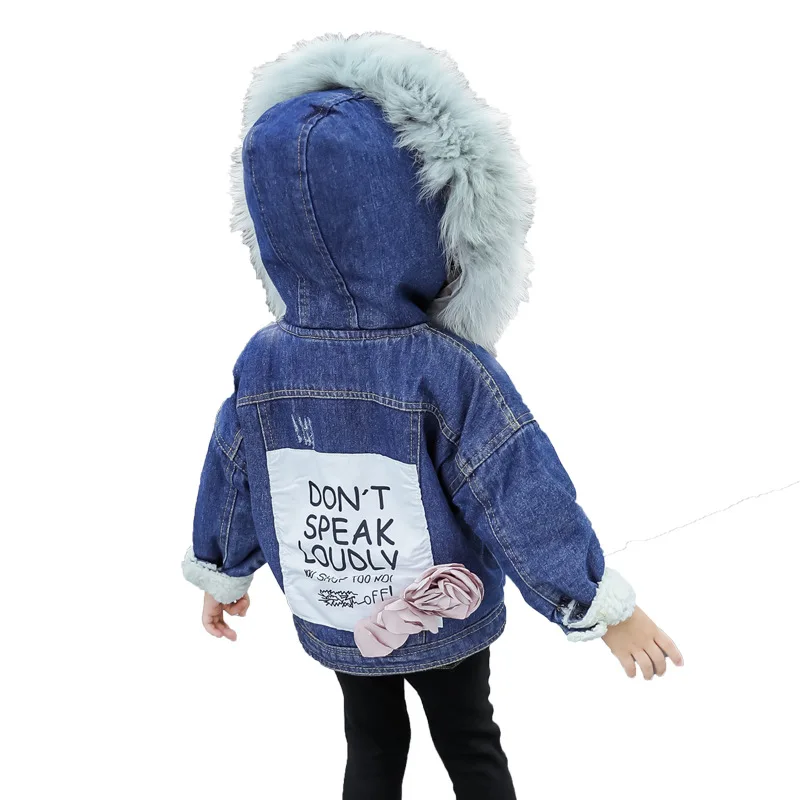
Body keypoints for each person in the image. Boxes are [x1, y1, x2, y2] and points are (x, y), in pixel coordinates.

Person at [182, 32, 683, 800]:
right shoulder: (442, 367)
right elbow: (517, 493)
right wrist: (596, 604)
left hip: (334, 609)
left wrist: (223, 568)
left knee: (371, 741)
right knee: (469, 739)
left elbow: (234, 471)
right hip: (441, 613)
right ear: (425, 215)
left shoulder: (264, 361)